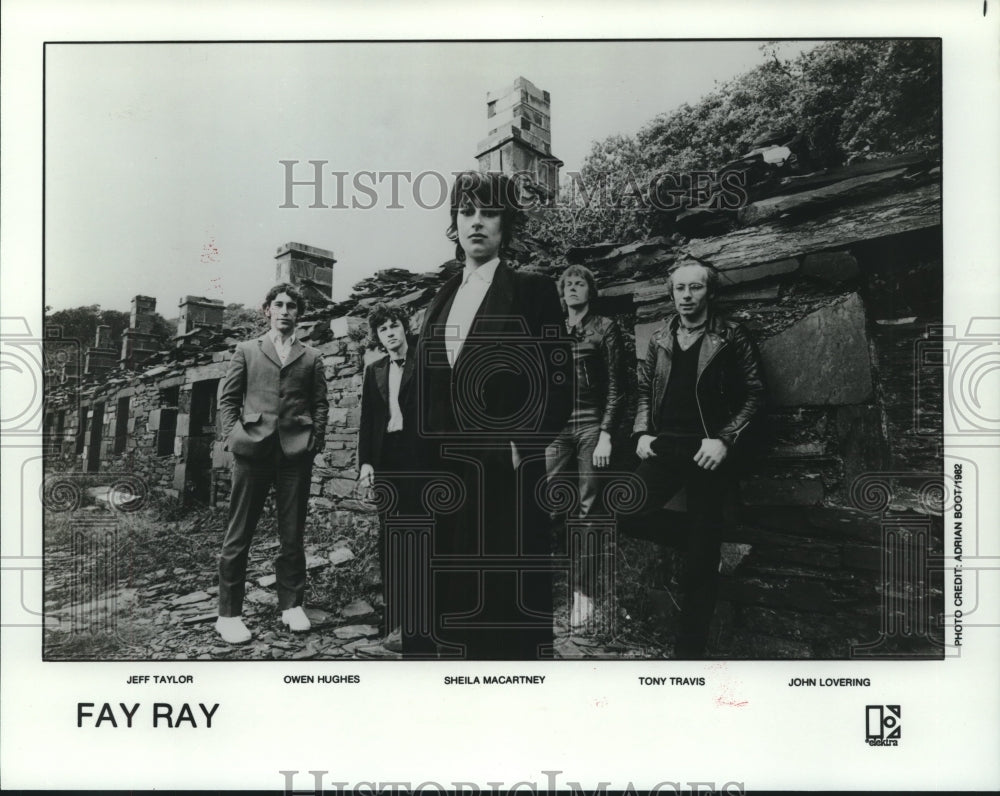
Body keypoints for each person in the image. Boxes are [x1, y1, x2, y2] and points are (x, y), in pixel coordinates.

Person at [413, 170, 572, 660]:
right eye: (466, 212)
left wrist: (518, 447)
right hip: (443, 468)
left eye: (489, 213)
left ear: (507, 224)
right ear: (455, 222)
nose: (476, 223)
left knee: (503, 594)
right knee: (446, 589)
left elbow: (559, 382)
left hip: (502, 471)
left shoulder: (532, 290)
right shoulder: (441, 298)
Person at [616, 259, 764, 658]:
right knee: (625, 511)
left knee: (698, 568)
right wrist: (642, 431)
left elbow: (755, 395)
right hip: (665, 446)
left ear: (709, 292)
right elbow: (645, 388)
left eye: (695, 288)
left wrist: (724, 440)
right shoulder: (661, 335)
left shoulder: (731, 335)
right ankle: (705, 543)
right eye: (680, 288)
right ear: (672, 293)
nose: (686, 296)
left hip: (706, 452)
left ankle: (689, 654)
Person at [215, 283, 329, 644]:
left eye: (291, 306)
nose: (284, 311)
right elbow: (228, 400)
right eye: (277, 305)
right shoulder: (246, 350)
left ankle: (291, 605)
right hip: (253, 452)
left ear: (299, 314)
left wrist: (314, 441)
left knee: (292, 532)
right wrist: (236, 437)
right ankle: (229, 613)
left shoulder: (312, 357)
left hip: (295, 453)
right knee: (239, 533)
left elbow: (320, 404)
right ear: (267, 310)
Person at [546, 264, 625, 632]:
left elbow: (617, 385)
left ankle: (584, 596)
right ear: (561, 293)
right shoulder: (552, 329)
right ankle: (541, 589)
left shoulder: (605, 328)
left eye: (580, 283)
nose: (574, 288)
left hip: (592, 424)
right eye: (568, 284)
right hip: (556, 429)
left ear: (590, 291)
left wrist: (607, 432)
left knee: (588, 507)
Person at [357, 303, 422, 655]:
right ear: (378, 337)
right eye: (383, 329)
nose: (390, 333)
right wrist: (366, 462)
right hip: (387, 460)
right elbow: (368, 420)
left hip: (420, 460)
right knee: (391, 537)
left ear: (405, 327)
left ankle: (422, 619)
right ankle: (394, 618)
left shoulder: (425, 360)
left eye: (394, 326)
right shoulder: (375, 370)